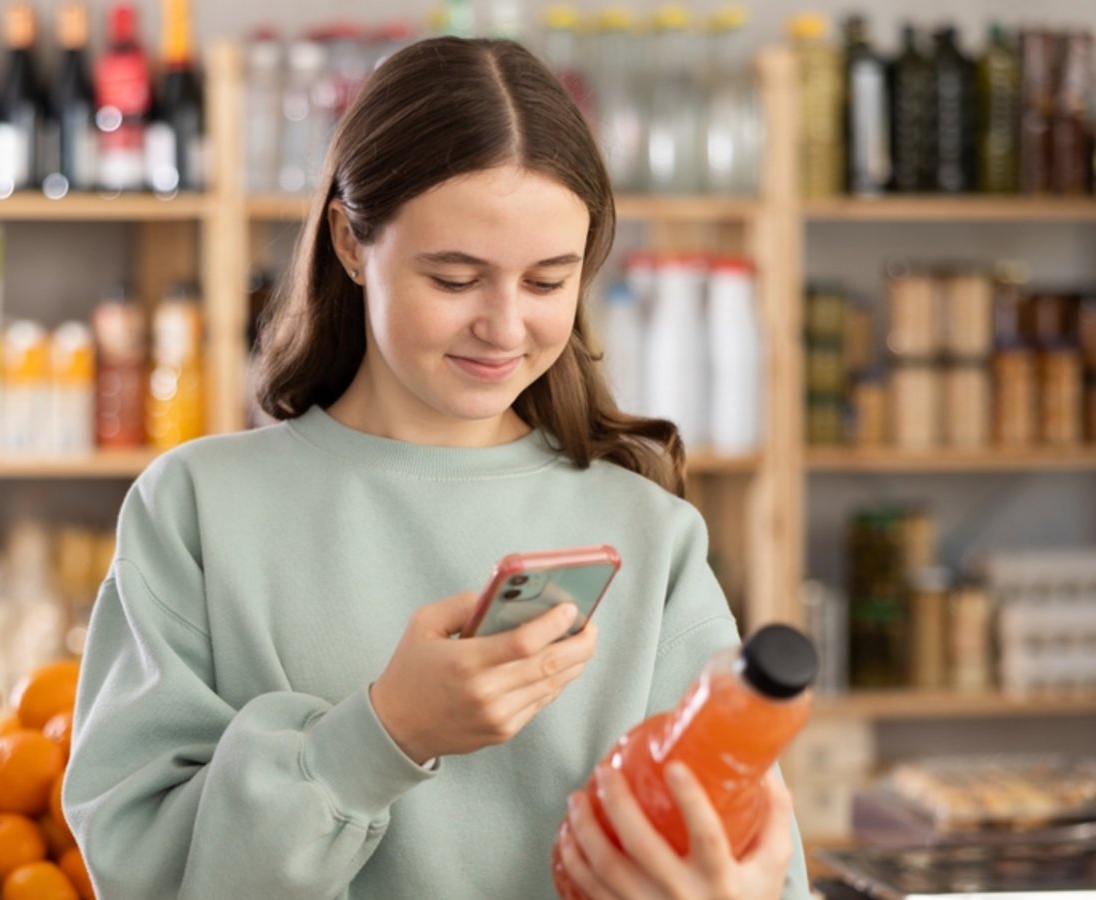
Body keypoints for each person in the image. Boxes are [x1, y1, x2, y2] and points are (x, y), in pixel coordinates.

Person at [63, 36, 809, 899]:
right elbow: (142, 872)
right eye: (455, 278)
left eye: (546, 282)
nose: (503, 326)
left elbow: (763, 860)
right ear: (350, 242)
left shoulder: (652, 536)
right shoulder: (197, 510)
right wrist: (385, 733)